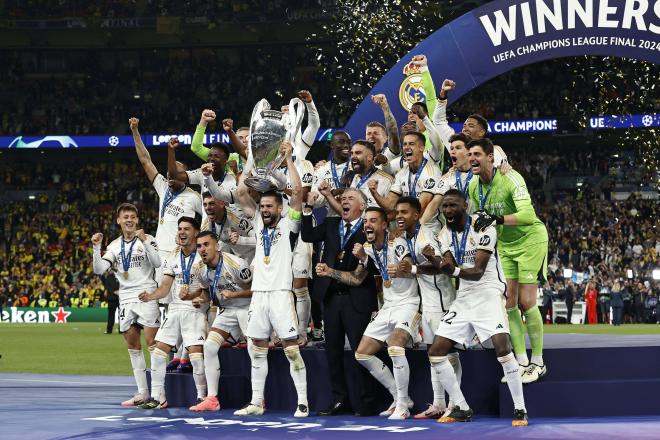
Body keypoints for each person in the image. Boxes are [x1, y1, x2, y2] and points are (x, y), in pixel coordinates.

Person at [424, 189, 528, 426]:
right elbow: (448, 264)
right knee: (436, 351)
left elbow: (478, 271)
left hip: (489, 291)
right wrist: (435, 260)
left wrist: (451, 269)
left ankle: (520, 409)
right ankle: (461, 406)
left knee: (503, 348)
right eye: (445, 206)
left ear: (465, 205)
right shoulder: (444, 234)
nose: (448, 211)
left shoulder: (483, 227)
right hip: (464, 296)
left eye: (453, 206)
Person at [316, 206, 420, 420]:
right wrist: (330, 272)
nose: (368, 225)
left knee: (395, 347)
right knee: (362, 353)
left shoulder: (396, 243)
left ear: (384, 225)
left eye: (373, 220)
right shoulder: (367, 248)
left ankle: (402, 405)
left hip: (408, 304)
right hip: (388, 306)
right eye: (365, 222)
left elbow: (409, 266)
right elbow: (356, 279)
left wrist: (402, 268)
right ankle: (399, 397)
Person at [233, 140, 309, 417]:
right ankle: (256, 402)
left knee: (290, 349)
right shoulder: (256, 223)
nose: (264, 209)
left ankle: (302, 401)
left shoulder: (290, 224)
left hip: (279, 293)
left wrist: (288, 159)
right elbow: (242, 191)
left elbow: (298, 192)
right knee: (257, 348)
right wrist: (252, 158)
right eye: (262, 205)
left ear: (279, 208)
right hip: (259, 293)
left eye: (269, 206)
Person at [467, 138, 549, 385]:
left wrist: (496, 218)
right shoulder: (473, 186)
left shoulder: (511, 177)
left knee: (526, 301)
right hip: (506, 246)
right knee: (510, 304)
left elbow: (528, 215)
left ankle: (539, 362)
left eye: (477, 154)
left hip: (530, 241)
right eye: (470, 154)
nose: (472, 158)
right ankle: (521, 361)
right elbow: (479, 216)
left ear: (491, 157)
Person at [301, 188, 378, 417]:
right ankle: (339, 400)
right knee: (332, 353)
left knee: (360, 352)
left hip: (357, 299)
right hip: (332, 298)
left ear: (362, 206)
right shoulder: (333, 225)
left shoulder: (368, 230)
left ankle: (367, 401)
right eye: (342, 198)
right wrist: (307, 209)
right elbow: (308, 236)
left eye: (350, 198)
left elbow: (365, 271)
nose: (344, 201)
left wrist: (331, 271)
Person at [392, 196, 460, 419]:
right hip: (428, 302)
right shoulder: (407, 237)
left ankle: (455, 404)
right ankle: (439, 403)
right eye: (397, 212)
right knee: (434, 355)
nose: (399, 216)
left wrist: (412, 269)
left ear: (416, 215)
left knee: (448, 355)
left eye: (405, 212)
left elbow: (444, 268)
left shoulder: (426, 236)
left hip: (442, 301)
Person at [91, 203, 162, 406]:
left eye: (132, 216)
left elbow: (157, 263)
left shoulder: (148, 240)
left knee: (153, 343)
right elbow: (99, 269)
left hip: (147, 294)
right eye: (125, 217)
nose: (129, 220)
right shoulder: (113, 246)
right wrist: (96, 248)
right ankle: (142, 392)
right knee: (133, 345)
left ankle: (159, 394)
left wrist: (145, 242)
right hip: (126, 299)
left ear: (137, 220)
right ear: (118, 221)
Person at [136, 217, 207, 409]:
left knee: (196, 355)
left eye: (186, 229)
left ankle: (202, 397)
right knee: (159, 352)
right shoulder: (172, 256)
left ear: (196, 232)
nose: (181, 232)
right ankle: (158, 397)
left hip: (195, 309)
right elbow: (166, 287)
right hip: (175, 309)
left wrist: (196, 295)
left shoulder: (203, 255)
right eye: (179, 229)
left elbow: (209, 288)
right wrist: (151, 296)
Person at [189, 231, 253, 411]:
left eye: (206, 244)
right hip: (227, 310)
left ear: (217, 246)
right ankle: (212, 399)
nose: (202, 249)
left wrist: (235, 294)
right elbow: (205, 292)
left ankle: (258, 398)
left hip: (247, 307)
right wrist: (201, 299)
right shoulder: (200, 269)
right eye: (199, 246)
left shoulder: (237, 264)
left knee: (255, 350)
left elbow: (257, 290)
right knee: (209, 346)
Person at [370, 131, 441, 219]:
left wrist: (400, 229)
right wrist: (374, 192)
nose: (406, 147)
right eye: (404, 144)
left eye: (411, 144)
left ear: (422, 148)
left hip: (429, 226)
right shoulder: (402, 173)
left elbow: (421, 208)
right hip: (409, 222)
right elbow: (390, 205)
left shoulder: (432, 172)